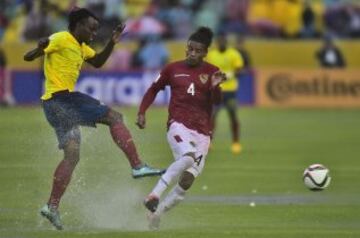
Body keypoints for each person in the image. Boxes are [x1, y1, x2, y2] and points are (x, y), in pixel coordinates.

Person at [23, 8, 164, 230]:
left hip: (53, 106)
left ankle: (51, 206)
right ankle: (137, 165)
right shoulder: (62, 38)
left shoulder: (80, 46)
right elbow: (29, 56)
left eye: (96, 29)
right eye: (91, 28)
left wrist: (112, 42)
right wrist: (39, 48)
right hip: (62, 99)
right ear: (77, 25)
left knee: (72, 156)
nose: (93, 33)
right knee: (114, 116)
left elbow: (97, 62)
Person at [136, 27, 226, 230]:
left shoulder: (212, 71)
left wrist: (216, 87)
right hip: (178, 125)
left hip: (203, 133)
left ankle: (156, 214)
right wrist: (142, 112)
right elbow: (153, 89)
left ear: (204, 53)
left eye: (197, 50)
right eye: (189, 49)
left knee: (187, 181)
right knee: (187, 157)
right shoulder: (172, 69)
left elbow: (216, 102)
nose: (192, 53)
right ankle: (154, 195)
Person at [206, 33, 244, 154]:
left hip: (230, 90)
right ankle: (209, 142)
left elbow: (239, 70)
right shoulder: (211, 55)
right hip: (216, 90)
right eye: (219, 42)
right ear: (217, 43)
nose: (221, 44)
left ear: (226, 43)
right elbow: (207, 71)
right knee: (212, 116)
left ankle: (236, 142)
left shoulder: (234, 54)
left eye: (223, 42)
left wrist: (228, 75)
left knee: (232, 115)